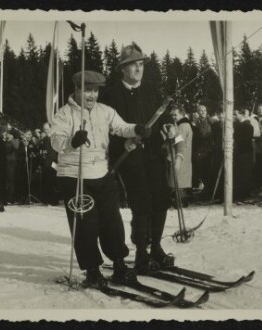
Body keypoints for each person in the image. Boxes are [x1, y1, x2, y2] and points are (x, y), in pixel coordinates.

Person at [51, 70, 148, 288]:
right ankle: (92, 270)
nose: (92, 96)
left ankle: (119, 265)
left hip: (102, 173)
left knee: (112, 222)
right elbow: (56, 141)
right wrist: (72, 141)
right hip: (75, 176)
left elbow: (121, 127)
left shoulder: (104, 111)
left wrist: (137, 128)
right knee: (86, 225)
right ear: (76, 90)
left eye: (95, 91)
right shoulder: (64, 114)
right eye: (87, 91)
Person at [100, 42, 174, 273]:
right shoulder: (110, 95)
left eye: (141, 65)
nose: (138, 69)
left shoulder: (152, 90)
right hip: (129, 157)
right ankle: (142, 253)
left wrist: (170, 129)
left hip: (154, 155)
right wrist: (122, 142)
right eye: (133, 66)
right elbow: (106, 128)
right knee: (141, 202)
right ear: (122, 69)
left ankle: (157, 248)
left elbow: (163, 119)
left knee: (161, 198)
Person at [167, 106, 192, 207]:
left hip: (179, 155)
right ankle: (181, 200)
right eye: (172, 115)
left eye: (175, 115)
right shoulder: (187, 125)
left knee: (178, 178)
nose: (173, 117)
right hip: (185, 155)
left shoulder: (182, 126)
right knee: (181, 178)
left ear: (182, 115)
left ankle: (179, 201)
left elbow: (179, 141)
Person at [233, 109, 254, 201]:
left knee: (245, 172)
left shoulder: (247, 125)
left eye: (236, 114)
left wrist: (238, 147)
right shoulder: (238, 125)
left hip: (245, 152)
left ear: (241, 114)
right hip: (239, 152)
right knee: (240, 173)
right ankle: (240, 192)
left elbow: (246, 141)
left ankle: (245, 193)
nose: (234, 116)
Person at [41, 122, 59, 205]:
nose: (46, 130)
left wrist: (54, 161)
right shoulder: (45, 139)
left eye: (47, 129)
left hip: (53, 162)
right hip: (47, 162)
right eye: (44, 129)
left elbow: (55, 151)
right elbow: (44, 151)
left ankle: (53, 200)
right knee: (47, 180)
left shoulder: (55, 137)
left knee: (53, 180)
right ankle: (47, 199)